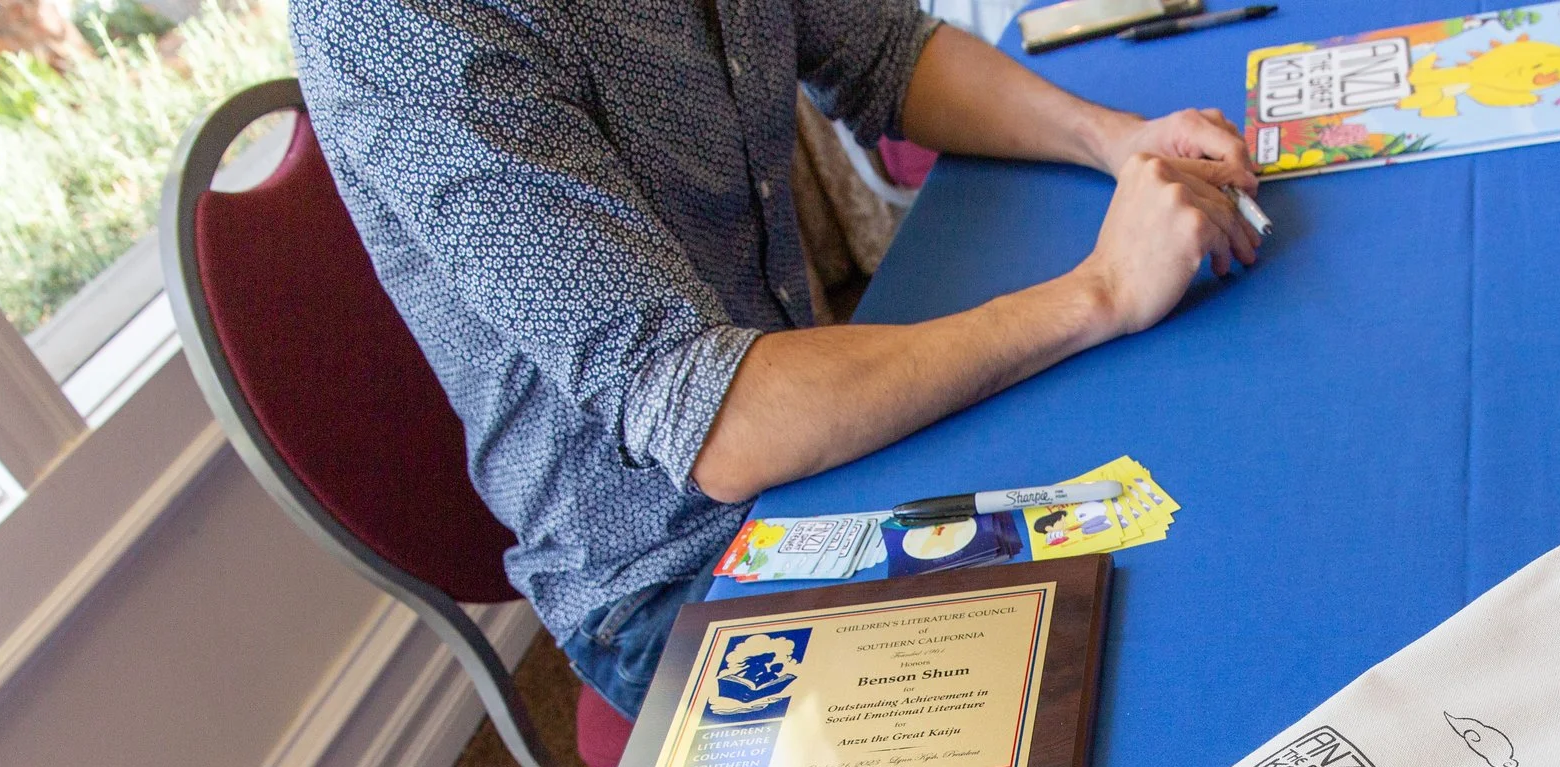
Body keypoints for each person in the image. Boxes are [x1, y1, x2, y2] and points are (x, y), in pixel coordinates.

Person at [291, 0, 1261, 719]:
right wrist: (1098, 291)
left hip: (819, 425)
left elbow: (885, 52)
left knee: (1222, 506)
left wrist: (1117, 141)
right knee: (1163, 686)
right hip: (676, 565)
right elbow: (716, 420)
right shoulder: (401, 21)